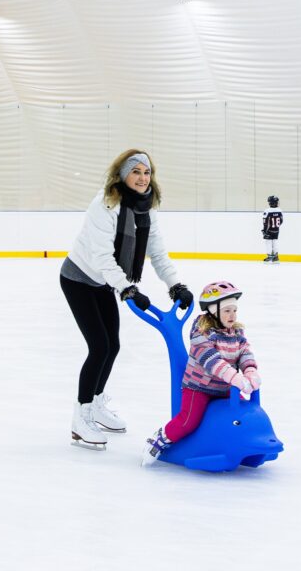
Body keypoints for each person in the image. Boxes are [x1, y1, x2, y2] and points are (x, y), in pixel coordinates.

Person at [60, 149, 193, 450]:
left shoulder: (148, 208)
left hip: (105, 281)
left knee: (113, 345)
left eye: (147, 172)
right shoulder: (105, 204)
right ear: (122, 175)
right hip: (79, 278)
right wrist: (127, 288)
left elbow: (157, 252)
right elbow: (102, 257)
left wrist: (176, 286)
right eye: (136, 171)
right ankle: (80, 419)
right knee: (99, 346)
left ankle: (95, 404)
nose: (143, 178)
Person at [141, 281, 260, 466]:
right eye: (227, 310)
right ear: (213, 310)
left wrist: (250, 370)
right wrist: (235, 377)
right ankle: (160, 440)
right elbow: (211, 361)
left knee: (244, 416)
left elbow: (245, 352)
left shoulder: (236, 331)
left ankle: (241, 446)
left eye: (234, 310)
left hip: (225, 388)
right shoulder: (201, 333)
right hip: (199, 387)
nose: (232, 315)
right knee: (189, 421)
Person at [262, 195, 284, 263]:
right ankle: (276, 257)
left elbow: (265, 222)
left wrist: (264, 231)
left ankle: (269, 257)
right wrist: (276, 227)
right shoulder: (280, 210)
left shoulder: (267, 211)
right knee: (275, 242)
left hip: (269, 229)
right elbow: (281, 221)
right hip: (277, 230)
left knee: (268, 242)